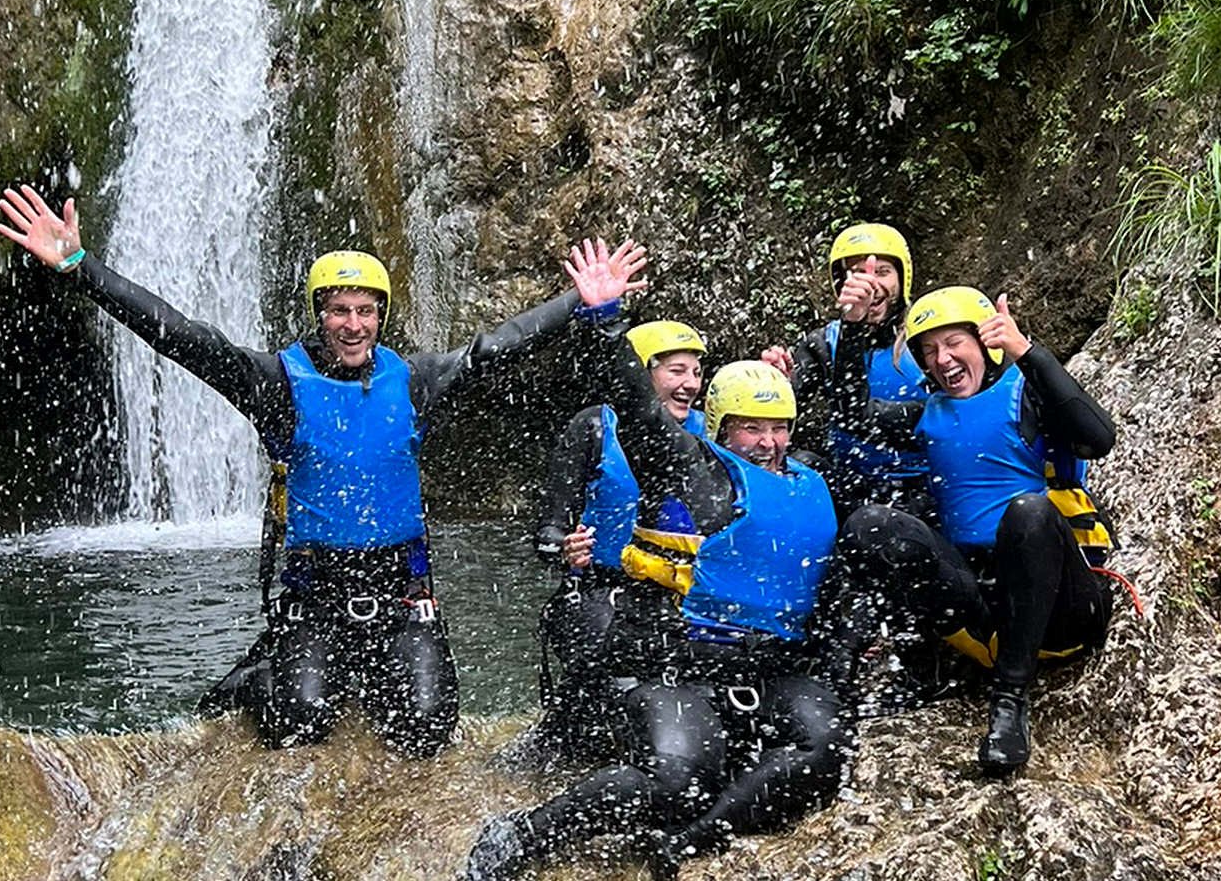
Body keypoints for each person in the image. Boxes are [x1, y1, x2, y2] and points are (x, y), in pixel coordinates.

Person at [0, 185, 646, 757]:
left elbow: (495, 348)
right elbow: (181, 336)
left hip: (403, 601)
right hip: (316, 603)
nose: (353, 324)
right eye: (339, 309)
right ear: (320, 313)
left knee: (425, 729)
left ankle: (370, 671)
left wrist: (581, 304)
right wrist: (81, 268)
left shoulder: (416, 381)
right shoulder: (276, 382)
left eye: (365, 311)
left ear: (381, 317)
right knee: (298, 722)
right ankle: (259, 675)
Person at [464, 252, 846, 879]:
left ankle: (695, 838)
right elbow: (639, 417)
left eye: (778, 429)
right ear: (722, 431)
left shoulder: (809, 477)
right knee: (676, 779)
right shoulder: (693, 470)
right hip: (679, 658)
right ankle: (524, 834)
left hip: (771, 661)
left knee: (826, 750)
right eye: (751, 429)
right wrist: (606, 320)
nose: (768, 443)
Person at [827, 285, 1117, 775]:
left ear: (984, 343)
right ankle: (924, 664)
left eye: (954, 343)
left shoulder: (1026, 392)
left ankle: (1009, 702)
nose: (943, 360)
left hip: (1061, 606)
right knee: (868, 525)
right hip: (983, 610)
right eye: (929, 350)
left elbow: (1099, 437)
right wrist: (855, 332)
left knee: (1029, 511)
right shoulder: (928, 413)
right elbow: (851, 414)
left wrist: (1027, 352)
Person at [528, 320, 708, 766]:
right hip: (601, 586)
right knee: (611, 668)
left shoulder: (711, 430)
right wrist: (563, 547)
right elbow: (546, 531)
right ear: (642, 376)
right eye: (676, 371)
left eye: (696, 372)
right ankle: (567, 747)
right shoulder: (592, 428)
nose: (690, 385)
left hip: (682, 590)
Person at [761, 222, 930, 516]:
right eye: (857, 273)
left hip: (921, 487)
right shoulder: (825, 343)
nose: (870, 283)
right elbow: (776, 417)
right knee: (801, 463)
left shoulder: (927, 339)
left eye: (882, 272)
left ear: (903, 279)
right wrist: (779, 385)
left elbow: (859, 418)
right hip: (849, 485)